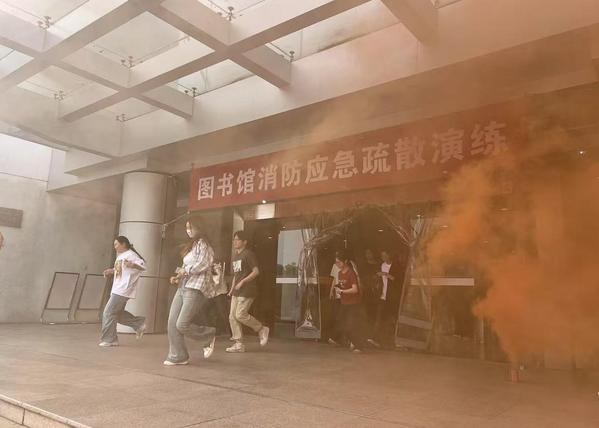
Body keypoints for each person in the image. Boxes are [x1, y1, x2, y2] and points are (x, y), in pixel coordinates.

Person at [164, 218, 218, 366]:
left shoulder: (204, 244)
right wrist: (177, 276)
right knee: (172, 323)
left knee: (182, 324)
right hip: (183, 285)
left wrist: (185, 271)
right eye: (187, 227)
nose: (188, 230)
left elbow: (203, 264)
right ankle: (178, 355)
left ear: (199, 227)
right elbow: (185, 266)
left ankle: (208, 335)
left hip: (195, 287)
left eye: (191, 227)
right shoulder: (192, 245)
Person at [226, 230, 269, 353]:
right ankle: (238, 344)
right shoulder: (235, 256)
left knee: (240, 314)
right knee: (232, 317)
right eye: (234, 239)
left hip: (247, 290)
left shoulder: (248, 254)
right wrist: (231, 289)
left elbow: (256, 272)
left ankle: (261, 329)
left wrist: (243, 282)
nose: (235, 242)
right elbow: (236, 276)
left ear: (245, 242)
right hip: (237, 291)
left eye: (238, 239)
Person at [99, 236, 147, 347]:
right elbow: (121, 270)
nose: (115, 247)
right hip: (118, 288)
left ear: (124, 244)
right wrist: (111, 271)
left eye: (116, 244)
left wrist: (133, 264)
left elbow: (143, 266)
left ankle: (110, 339)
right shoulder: (121, 256)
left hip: (123, 289)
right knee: (116, 314)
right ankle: (139, 323)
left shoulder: (131, 255)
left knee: (108, 313)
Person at [332, 250, 368, 353]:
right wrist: (338, 288)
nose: (337, 264)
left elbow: (355, 289)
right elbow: (343, 285)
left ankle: (359, 346)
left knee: (351, 325)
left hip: (353, 303)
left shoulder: (351, 273)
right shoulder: (339, 273)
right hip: (344, 302)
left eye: (339, 262)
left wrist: (342, 291)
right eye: (336, 262)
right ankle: (346, 341)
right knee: (341, 323)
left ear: (345, 261)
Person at [369, 249, 404, 348]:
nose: (383, 258)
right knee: (379, 318)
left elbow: (399, 280)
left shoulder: (396, 266)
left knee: (394, 319)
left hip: (392, 297)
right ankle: (376, 339)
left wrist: (386, 274)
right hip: (383, 296)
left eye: (384, 255)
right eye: (382, 256)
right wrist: (377, 277)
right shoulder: (381, 265)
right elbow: (377, 278)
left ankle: (398, 341)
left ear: (389, 255)